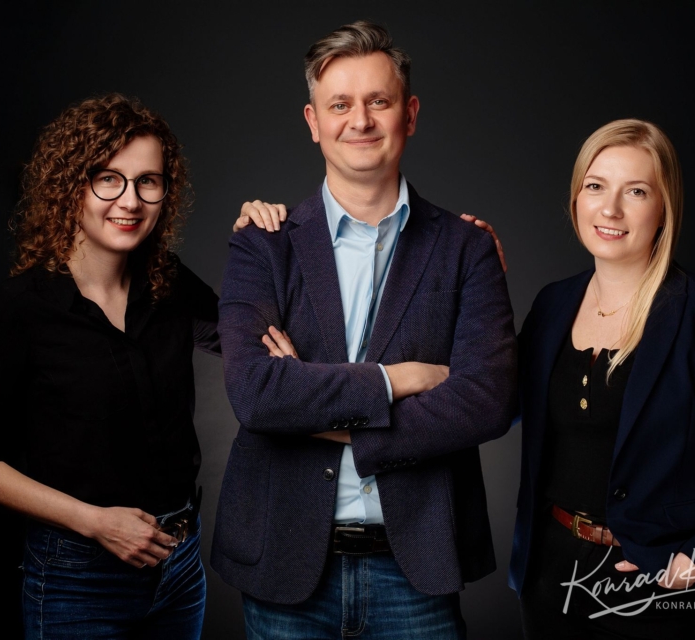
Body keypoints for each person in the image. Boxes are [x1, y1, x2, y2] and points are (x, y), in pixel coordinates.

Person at [212, 20, 517, 640]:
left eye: (378, 101)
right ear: (312, 121)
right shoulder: (263, 245)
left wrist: (319, 413)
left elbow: (487, 401)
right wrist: (397, 381)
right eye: (340, 105)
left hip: (416, 570)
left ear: (410, 113)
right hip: (286, 566)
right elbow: (256, 394)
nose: (360, 120)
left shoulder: (467, 248)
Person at [0, 93, 271, 639]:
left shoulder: (167, 282)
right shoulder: (19, 309)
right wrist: (93, 521)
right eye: (108, 180)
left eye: (148, 181)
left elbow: (257, 341)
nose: (130, 200)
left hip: (179, 567)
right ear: (71, 185)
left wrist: (262, 244)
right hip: (78, 577)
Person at [509, 119, 695, 638]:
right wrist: (475, 275)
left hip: (654, 589)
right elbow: (497, 406)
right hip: (548, 578)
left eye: (635, 191)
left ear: (664, 207)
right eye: (596, 186)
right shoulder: (552, 304)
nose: (610, 209)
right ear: (576, 198)